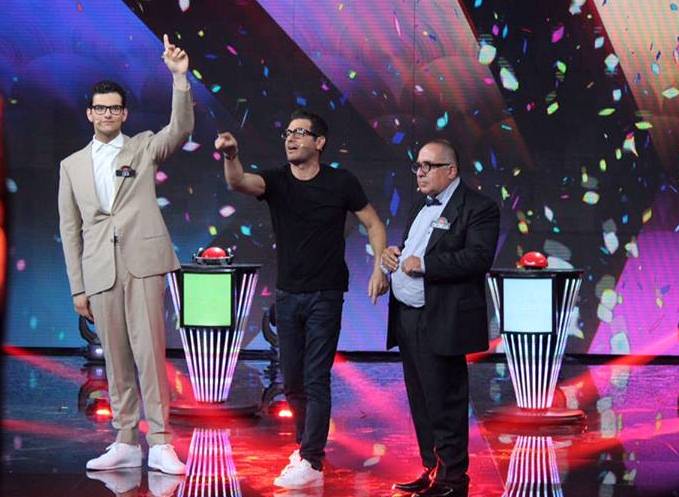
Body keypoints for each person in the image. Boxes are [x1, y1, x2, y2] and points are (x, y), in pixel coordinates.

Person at [215, 109, 389, 489]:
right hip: (288, 294)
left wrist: (380, 268)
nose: (291, 139)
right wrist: (231, 155)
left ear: (319, 142)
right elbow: (238, 181)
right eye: (288, 133)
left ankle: (312, 459)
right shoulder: (277, 180)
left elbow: (374, 223)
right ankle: (305, 449)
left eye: (300, 133)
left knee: (315, 377)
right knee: (292, 381)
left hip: (326, 294)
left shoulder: (341, 182)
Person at [58, 34, 193, 474]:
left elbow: (181, 130)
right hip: (99, 270)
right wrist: (77, 287)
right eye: (101, 108)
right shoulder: (71, 166)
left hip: (143, 263)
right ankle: (125, 439)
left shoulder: (143, 146)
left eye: (115, 108)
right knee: (114, 358)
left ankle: (161, 440)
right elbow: (70, 230)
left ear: (124, 113)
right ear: (90, 113)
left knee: (149, 353)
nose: (108, 114)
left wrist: (179, 79)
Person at [381, 139, 500, 497]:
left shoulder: (478, 207)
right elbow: (413, 249)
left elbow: (478, 258)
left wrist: (426, 264)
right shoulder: (420, 204)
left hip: (442, 318)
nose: (420, 172)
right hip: (408, 316)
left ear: (451, 170)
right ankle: (431, 469)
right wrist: (393, 255)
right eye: (417, 165)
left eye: (428, 166)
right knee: (421, 400)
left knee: (445, 400)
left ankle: (452, 479)